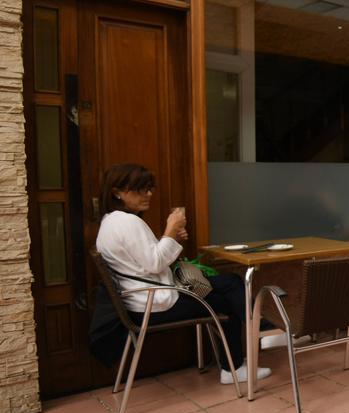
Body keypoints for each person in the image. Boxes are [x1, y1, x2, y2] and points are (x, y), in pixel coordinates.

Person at [93, 163, 270, 385]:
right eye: (140, 189)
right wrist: (170, 229)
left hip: (141, 301)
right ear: (116, 192)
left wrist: (173, 237)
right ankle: (240, 360)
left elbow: (146, 261)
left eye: (149, 188)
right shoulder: (127, 222)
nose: (148, 194)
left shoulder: (110, 222)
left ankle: (255, 339)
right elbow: (155, 262)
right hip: (155, 304)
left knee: (231, 284)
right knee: (229, 296)